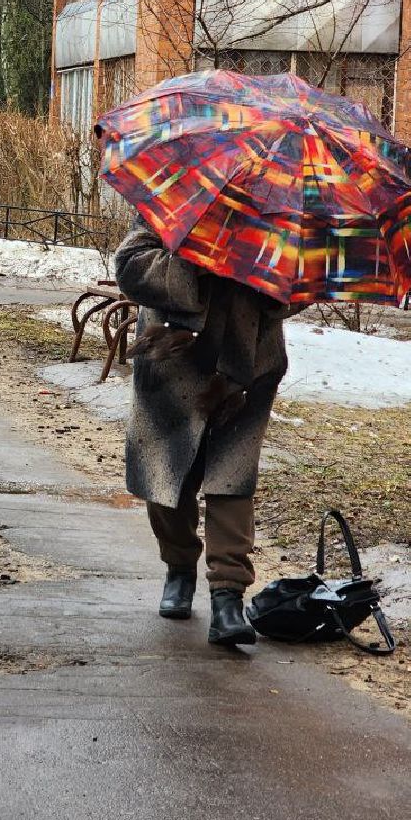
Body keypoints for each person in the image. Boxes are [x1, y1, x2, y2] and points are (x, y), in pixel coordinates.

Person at [114, 218, 297, 647]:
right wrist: (199, 262)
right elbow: (130, 266)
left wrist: (261, 272)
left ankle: (227, 597)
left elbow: (297, 292)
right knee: (166, 474)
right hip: (173, 361)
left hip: (246, 364)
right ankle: (179, 567)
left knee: (232, 478)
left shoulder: (281, 218)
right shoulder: (173, 204)